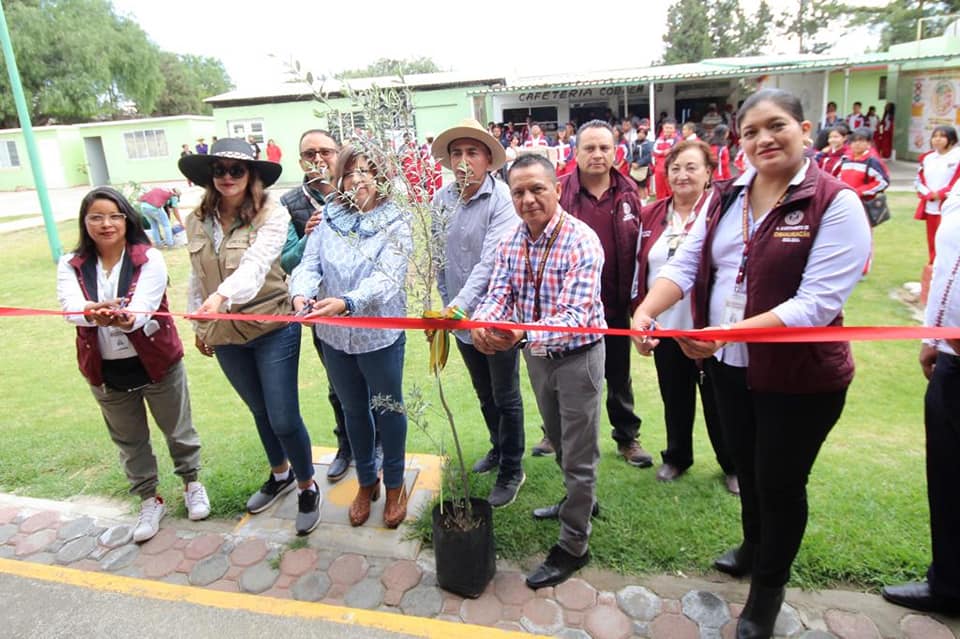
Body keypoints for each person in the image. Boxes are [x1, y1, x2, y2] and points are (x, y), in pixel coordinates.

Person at [632, 89, 870, 639]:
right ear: (738, 143)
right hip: (729, 368)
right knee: (746, 463)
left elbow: (815, 304)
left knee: (780, 481)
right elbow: (688, 259)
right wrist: (647, 311)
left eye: (776, 126)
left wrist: (721, 333)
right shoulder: (727, 197)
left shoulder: (833, 202)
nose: (764, 139)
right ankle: (751, 547)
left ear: (805, 130)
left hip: (799, 378)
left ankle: (767, 591)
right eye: (750, 131)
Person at [472, 154, 606, 589]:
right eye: (518, 192)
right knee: (560, 438)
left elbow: (572, 315)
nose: (527, 200)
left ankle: (573, 545)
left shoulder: (581, 241)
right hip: (536, 356)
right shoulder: (512, 241)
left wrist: (515, 335)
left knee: (579, 450)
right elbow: (498, 292)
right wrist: (484, 325)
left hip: (578, 357)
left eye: (536, 189)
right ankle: (578, 502)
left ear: (558, 188)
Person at [178, 138, 321, 536]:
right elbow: (196, 275)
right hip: (224, 333)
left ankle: (308, 485)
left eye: (236, 170)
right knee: (259, 411)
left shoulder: (271, 214)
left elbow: (257, 267)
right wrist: (200, 324)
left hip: (272, 326)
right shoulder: (195, 220)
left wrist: (221, 297)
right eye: (219, 170)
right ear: (210, 176)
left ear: (251, 175)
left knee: (283, 415)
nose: (227, 177)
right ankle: (281, 475)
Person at [57, 186, 209, 543]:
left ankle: (192, 484)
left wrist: (118, 317)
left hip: (158, 362)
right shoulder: (70, 264)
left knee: (178, 430)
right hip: (105, 368)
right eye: (96, 217)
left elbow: (142, 308)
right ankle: (148, 498)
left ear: (127, 219)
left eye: (114, 216)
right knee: (129, 440)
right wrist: (93, 313)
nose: (106, 224)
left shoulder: (148, 258)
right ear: (84, 222)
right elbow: (70, 310)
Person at [290, 146, 412, 529]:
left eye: (366, 171)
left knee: (388, 411)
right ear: (339, 179)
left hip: (379, 337)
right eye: (349, 173)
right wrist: (300, 294)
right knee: (354, 411)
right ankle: (366, 481)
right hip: (334, 338)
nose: (357, 179)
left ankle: (394, 484)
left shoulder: (396, 219)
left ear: (379, 177)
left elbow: (388, 278)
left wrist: (346, 302)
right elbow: (309, 264)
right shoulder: (329, 217)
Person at [430, 119, 526, 508]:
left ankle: (512, 468)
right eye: (457, 153)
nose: (464, 160)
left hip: (496, 312)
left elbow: (491, 263)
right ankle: (497, 448)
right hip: (459, 317)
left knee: (506, 394)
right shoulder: (442, 200)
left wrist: (458, 307)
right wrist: (445, 301)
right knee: (484, 392)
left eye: (473, 152)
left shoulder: (502, 199)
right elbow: (439, 256)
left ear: (488, 159)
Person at [632, 140, 737, 492]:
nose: (682, 175)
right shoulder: (651, 215)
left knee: (720, 402)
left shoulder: (721, 215)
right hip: (666, 328)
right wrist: (641, 315)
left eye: (691, 167)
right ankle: (677, 457)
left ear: (709, 172)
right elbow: (639, 269)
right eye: (675, 168)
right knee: (674, 397)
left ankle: (732, 465)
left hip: (710, 329)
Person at [549, 120, 649, 467]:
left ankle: (627, 438)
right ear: (575, 152)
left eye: (604, 148)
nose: (597, 154)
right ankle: (554, 433)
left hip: (614, 305)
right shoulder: (559, 193)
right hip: (568, 308)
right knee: (563, 375)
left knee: (618, 375)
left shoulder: (629, 193)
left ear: (615, 151)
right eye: (589, 148)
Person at [881, 207, 960, 615]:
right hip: (952, 356)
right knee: (946, 476)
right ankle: (948, 583)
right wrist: (933, 335)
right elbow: (949, 269)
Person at [279, 129, 366, 483]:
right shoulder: (289, 203)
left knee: (374, 382)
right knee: (338, 385)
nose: (318, 159)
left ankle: (372, 446)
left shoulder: (362, 191)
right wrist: (309, 238)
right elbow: (286, 261)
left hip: (364, 307)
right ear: (300, 160)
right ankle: (346, 446)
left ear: (338, 153)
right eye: (309, 154)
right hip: (321, 313)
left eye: (325, 152)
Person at [914, 125, 960, 264]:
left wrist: (941, 194)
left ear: (951, 139)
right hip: (931, 206)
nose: (937, 139)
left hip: (951, 206)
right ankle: (933, 270)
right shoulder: (928, 158)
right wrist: (928, 194)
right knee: (933, 239)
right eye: (935, 136)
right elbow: (918, 180)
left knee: (948, 241)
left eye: (942, 136)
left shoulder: (957, 156)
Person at [652, 118, 679, 200]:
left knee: (673, 191)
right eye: (666, 128)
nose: (668, 130)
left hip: (672, 169)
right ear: (663, 128)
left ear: (674, 129)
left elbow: (676, 151)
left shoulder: (677, 139)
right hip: (659, 170)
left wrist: (669, 151)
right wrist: (664, 152)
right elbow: (654, 151)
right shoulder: (659, 139)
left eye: (671, 128)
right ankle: (661, 210)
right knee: (660, 193)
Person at [630, 124, 654, 200]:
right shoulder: (633, 143)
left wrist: (639, 163)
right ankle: (638, 201)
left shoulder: (648, 144)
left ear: (646, 135)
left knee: (642, 186)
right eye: (639, 132)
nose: (640, 134)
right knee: (634, 186)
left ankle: (644, 202)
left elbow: (648, 157)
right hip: (634, 168)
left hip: (643, 168)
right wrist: (632, 163)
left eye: (643, 133)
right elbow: (629, 154)